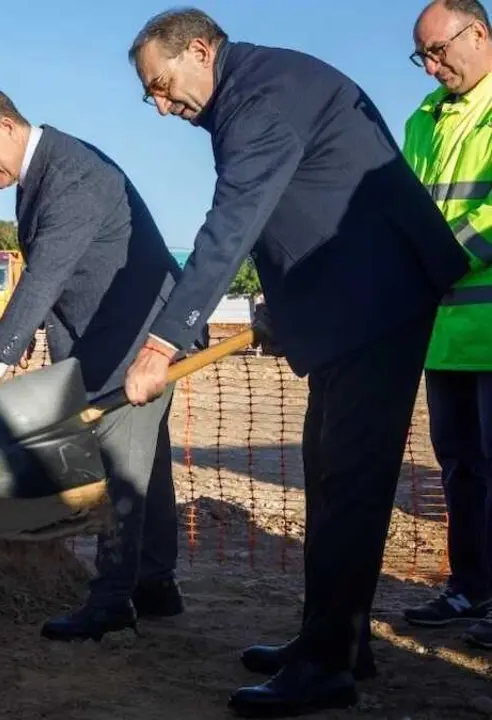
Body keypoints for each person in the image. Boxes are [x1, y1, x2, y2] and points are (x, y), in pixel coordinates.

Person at [125, 8, 470, 717]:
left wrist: (163, 342)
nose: (163, 107)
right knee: (327, 469)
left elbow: (232, 222)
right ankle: (336, 641)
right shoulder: (257, 91)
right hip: (356, 302)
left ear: (198, 49)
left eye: (162, 86)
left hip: (380, 302)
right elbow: (299, 209)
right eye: (150, 97)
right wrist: (276, 312)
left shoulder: (261, 94)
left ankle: (326, 668)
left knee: (349, 483)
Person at [0, 87, 183, 640]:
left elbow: (46, 270)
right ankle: (154, 584)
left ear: (6, 125)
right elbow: (61, 271)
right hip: (104, 336)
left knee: (119, 465)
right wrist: (31, 334)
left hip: (133, 339)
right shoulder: (40, 177)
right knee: (150, 466)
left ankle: (111, 601)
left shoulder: (72, 173)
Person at [401, 0, 492, 650]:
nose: (432, 66)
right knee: (459, 468)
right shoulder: (421, 122)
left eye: (440, 50)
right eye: (423, 56)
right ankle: (471, 587)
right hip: (443, 337)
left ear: (480, 32)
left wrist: (436, 257)